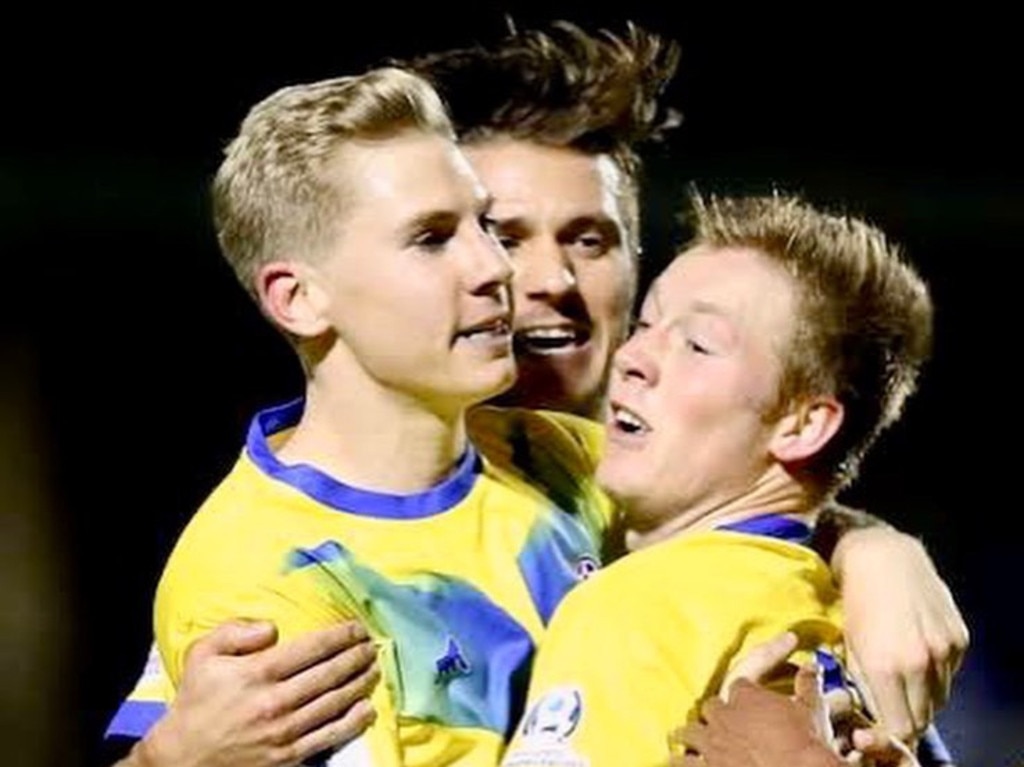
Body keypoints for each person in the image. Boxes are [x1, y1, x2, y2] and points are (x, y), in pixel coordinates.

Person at [104, 21, 967, 767]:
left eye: (589, 238)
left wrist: (876, 550)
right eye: (463, 234)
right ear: (302, 294)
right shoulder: (268, 577)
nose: (524, 274)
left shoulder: (593, 470)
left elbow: (767, 514)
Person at [499, 191, 951, 767]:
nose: (633, 356)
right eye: (646, 323)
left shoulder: (639, 609)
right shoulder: (860, 629)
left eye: (697, 345)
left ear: (803, 424)